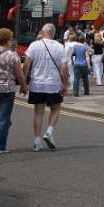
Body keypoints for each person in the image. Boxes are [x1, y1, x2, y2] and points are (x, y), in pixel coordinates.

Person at [24, 23, 69, 152]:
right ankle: (49, 132)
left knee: (38, 112)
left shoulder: (34, 45)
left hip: (37, 84)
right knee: (56, 108)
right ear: (54, 34)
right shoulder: (60, 47)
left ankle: (37, 142)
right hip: (54, 85)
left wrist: (24, 83)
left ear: (42, 33)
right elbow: (64, 68)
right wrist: (65, 85)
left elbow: (26, 65)